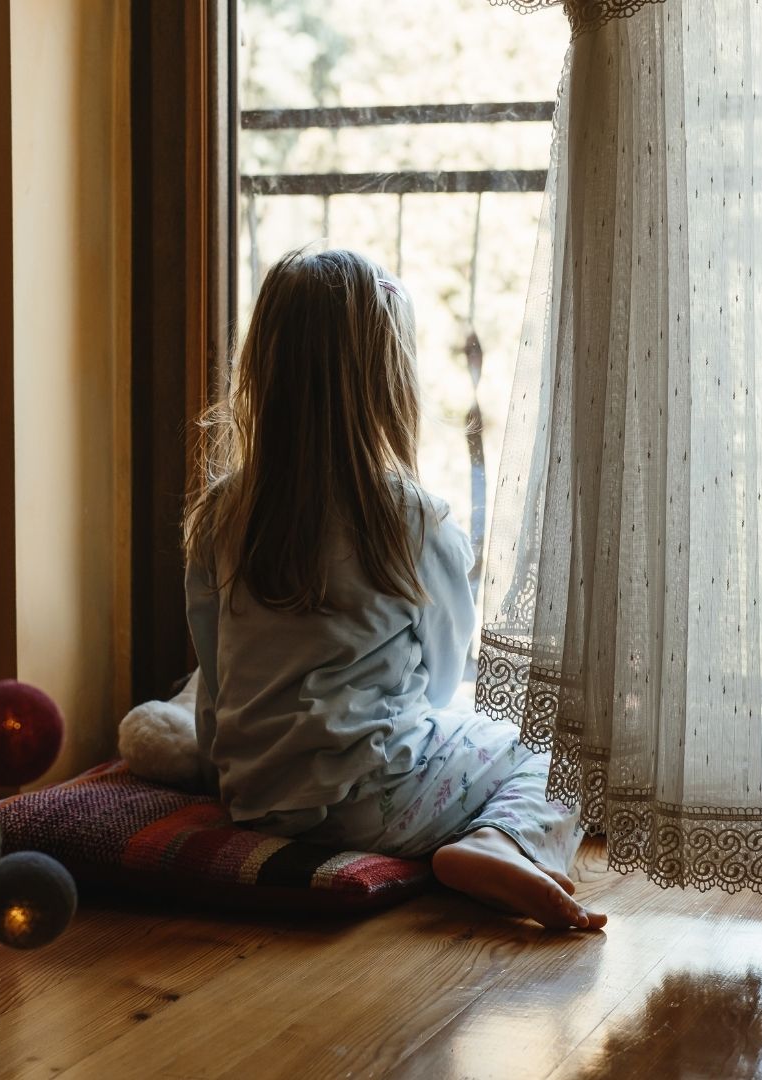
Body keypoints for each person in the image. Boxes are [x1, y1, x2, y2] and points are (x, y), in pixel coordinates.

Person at [183, 248, 606, 931]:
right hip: (376, 801)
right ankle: (502, 843)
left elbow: (215, 671)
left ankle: (480, 843)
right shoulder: (413, 520)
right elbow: (440, 679)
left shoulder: (222, 515)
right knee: (563, 747)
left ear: (262, 370)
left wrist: (221, 768)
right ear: (388, 382)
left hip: (255, 796)